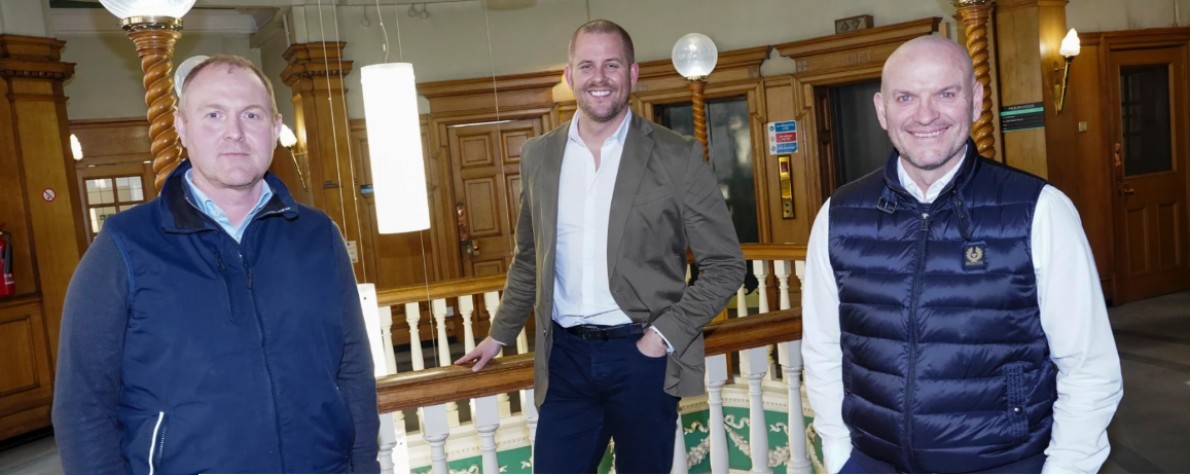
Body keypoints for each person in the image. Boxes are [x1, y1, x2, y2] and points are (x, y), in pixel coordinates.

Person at [802, 35, 1124, 474]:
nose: (926, 114)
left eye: (946, 94)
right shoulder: (839, 214)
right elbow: (823, 350)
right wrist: (841, 453)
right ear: (882, 110)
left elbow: (1089, 367)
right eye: (906, 97)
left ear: (975, 102)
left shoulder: (1039, 211)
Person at [52, 55, 380, 474]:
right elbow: (83, 404)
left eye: (251, 114)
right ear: (181, 127)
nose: (235, 133)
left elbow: (353, 367)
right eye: (213, 114)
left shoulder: (318, 236)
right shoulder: (125, 246)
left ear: (276, 126)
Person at [454, 19, 744, 474]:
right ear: (569, 77)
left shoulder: (677, 154)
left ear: (632, 73)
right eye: (586, 65)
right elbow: (530, 257)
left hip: (642, 357)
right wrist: (499, 333)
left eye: (612, 64)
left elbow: (726, 265)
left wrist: (661, 336)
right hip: (564, 359)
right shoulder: (538, 156)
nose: (599, 77)